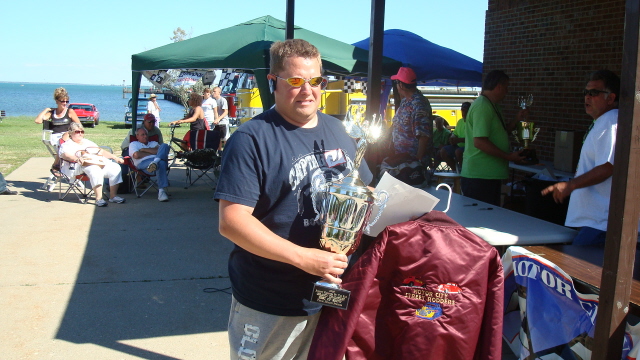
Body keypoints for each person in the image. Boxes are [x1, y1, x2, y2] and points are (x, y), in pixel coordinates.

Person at [214, 38, 373, 359]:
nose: (308, 91)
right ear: (273, 82)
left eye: (316, 81)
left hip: (332, 295)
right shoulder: (251, 139)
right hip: (272, 301)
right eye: (296, 81)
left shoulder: (339, 131)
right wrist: (304, 258)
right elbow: (232, 222)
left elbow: (363, 190)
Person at [542, 70, 622, 246]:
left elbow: (608, 166)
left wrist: (570, 185)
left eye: (594, 93)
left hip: (600, 223)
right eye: (586, 92)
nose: (587, 97)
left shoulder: (610, 121)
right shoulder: (603, 121)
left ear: (610, 98)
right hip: (595, 222)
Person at [461, 70, 527, 206]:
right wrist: (508, 156)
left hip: (487, 175)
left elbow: (501, 132)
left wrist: (516, 119)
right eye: (506, 87)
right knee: (481, 222)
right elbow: (479, 141)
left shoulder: (492, 106)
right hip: (480, 176)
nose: (507, 91)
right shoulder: (483, 106)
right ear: (499, 87)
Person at [59, 123, 126, 207]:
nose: (80, 133)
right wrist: (76, 158)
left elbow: (100, 151)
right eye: (77, 131)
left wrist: (115, 158)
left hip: (95, 162)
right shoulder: (67, 144)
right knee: (95, 169)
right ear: (71, 133)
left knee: (115, 168)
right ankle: (99, 198)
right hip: (77, 165)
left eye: (82, 131)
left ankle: (113, 196)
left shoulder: (87, 142)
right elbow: (65, 155)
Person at [389, 67, 433, 164]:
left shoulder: (419, 103)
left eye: (396, 82)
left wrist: (418, 160)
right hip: (402, 159)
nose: (396, 86)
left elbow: (424, 135)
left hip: (413, 163)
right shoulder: (405, 101)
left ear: (401, 85)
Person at [34, 87, 81, 176]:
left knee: (66, 139)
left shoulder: (70, 112)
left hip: (68, 136)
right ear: (57, 101)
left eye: (67, 101)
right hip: (55, 137)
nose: (65, 103)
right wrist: (46, 110)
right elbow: (38, 121)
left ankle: (57, 165)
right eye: (62, 101)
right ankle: (59, 166)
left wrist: (69, 132)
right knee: (62, 142)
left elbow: (79, 126)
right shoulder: (52, 113)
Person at [129, 127, 171, 202]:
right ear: (137, 136)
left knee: (165, 146)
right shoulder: (134, 144)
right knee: (161, 162)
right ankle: (161, 191)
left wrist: (144, 150)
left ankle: (155, 162)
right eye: (142, 135)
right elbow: (136, 155)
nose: (145, 136)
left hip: (155, 165)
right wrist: (153, 152)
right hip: (143, 164)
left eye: (146, 134)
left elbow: (160, 150)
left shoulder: (153, 143)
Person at [440, 102, 471, 171]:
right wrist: (452, 138)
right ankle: (455, 170)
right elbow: (455, 133)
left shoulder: (473, 121)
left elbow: (473, 139)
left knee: (458, 152)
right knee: (443, 151)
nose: (464, 113)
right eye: (462, 111)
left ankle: (464, 171)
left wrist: (459, 140)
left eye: (466, 111)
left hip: (469, 146)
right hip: (458, 145)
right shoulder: (460, 121)